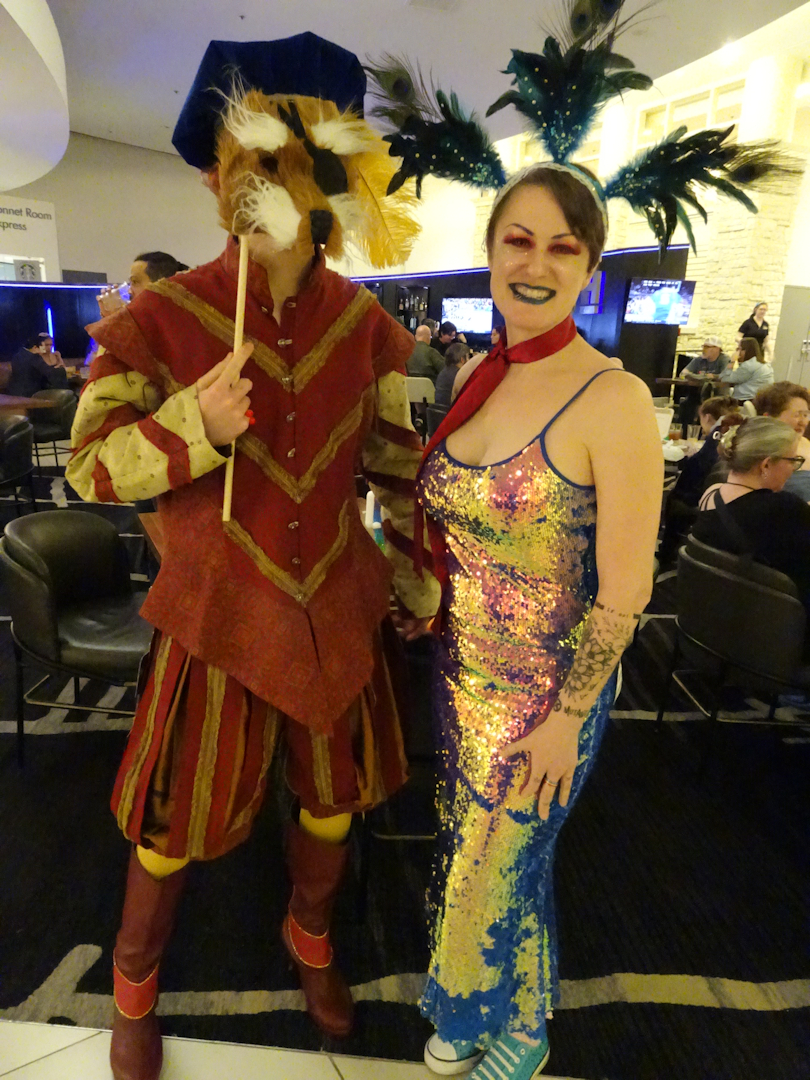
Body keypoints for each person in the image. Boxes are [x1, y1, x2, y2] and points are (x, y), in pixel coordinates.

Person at [66, 35, 439, 1080]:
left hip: (335, 609)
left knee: (331, 802)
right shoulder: (161, 318)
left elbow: (396, 465)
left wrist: (416, 578)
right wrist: (193, 425)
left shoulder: (366, 326)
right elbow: (88, 467)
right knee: (171, 823)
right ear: (214, 178)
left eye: (295, 163)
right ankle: (134, 984)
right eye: (251, 163)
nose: (269, 184)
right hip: (217, 616)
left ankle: (309, 936)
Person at [415, 163, 661, 1078]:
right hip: (461, 674)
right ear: (489, 254)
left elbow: (626, 591)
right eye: (518, 240)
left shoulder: (614, 399)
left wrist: (568, 717)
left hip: (549, 698)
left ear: (589, 270)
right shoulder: (479, 373)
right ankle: (521, 1019)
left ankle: (482, 1011)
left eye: (564, 247)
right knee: (500, 860)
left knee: (486, 870)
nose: (536, 263)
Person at [693, 417, 810, 617]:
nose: (794, 469)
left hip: (715, 615)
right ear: (766, 465)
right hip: (773, 622)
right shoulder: (785, 508)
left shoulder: (711, 494)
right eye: (793, 461)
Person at [658, 398, 744, 564]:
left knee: (671, 496)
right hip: (714, 498)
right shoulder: (733, 430)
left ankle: (665, 554)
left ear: (706, 417)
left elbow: (698, 467)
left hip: (693, 499)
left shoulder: (718, 433)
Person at [754, 381, 810, 499]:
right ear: (768, 417)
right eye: (797, 415)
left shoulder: (805, 443)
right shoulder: (756, 451)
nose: (803, 422)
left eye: (805, 415)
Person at [98, 251, 190, 316]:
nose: (129, 291)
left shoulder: (174, 324)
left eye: (135, 282)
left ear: (160, 285)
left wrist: (116, 320)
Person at [676, 335, 731, 430]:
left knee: (707, 407)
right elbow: (683, 373)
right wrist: (704, 377)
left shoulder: (724, 359)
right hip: (698, 394)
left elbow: (725, 376)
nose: (703, 349)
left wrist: (712, 377)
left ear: (717, 349)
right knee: (686, 405)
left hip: (716, 395)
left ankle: (704, 431)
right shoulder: (699, 359)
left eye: (707, 347)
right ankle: (685, 432)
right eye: (703, 346)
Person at [720, 336, 773, 406]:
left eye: (738, 349)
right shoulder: (763, 364)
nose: (736, 352)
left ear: (745, 351)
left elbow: (724, 379)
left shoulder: (748, 366)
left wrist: (732, 361)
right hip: (762, 400)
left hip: (746, 401)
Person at [434, 341, 469, 407]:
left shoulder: (442, 373)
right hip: (453, 411)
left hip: (437, 411)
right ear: (462, 360)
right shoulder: (461, 375)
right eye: (468, 357)